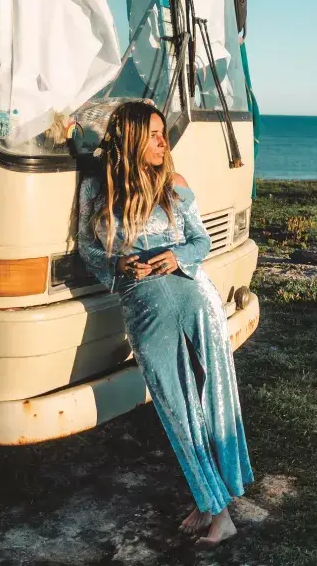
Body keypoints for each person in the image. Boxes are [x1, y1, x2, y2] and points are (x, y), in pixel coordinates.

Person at [76, 100, 253, 549]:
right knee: (177, 410)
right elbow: (88, 250)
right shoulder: (97, 192)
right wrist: (121, 270)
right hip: (147, 308)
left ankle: (219, 508)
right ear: (132, 139)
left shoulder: (175, 184)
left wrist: (178, 256)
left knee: (213, 397)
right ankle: (210, 502)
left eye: (162, 133)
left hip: (196, 297)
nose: (163, 142)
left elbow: (201, 239)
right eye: (154, 134)